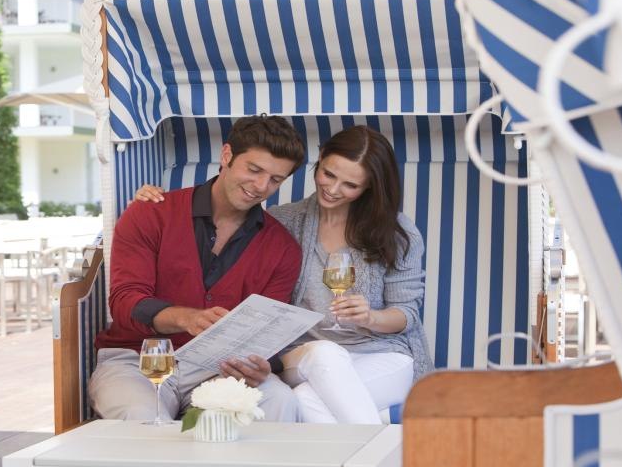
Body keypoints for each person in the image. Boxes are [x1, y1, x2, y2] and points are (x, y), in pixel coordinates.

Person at [135, 125, 432, 423]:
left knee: (303, 399)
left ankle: (351, 466)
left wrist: (371, 318)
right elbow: (223, 204)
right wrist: (159, 198)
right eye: (328, 174)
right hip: (304, 354)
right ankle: (384, 458)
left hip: (380, 356)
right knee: (326, 353)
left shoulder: (397, 233)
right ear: (320, 161)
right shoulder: (282, 222)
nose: (333, 189)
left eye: (350, 185)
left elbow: (407, 313)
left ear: (369, 187)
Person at [89, 114, 307, 423]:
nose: (261, 186)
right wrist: (186, 318)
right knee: (142, 417)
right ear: (227, 155)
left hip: (220, 369)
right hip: (137, 360)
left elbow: (266, 331)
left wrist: (262, 365)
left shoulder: (283, 248)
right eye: (254, 169)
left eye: (275, 180)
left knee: (278, 400)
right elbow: (125, 302)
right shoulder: (151, 214)